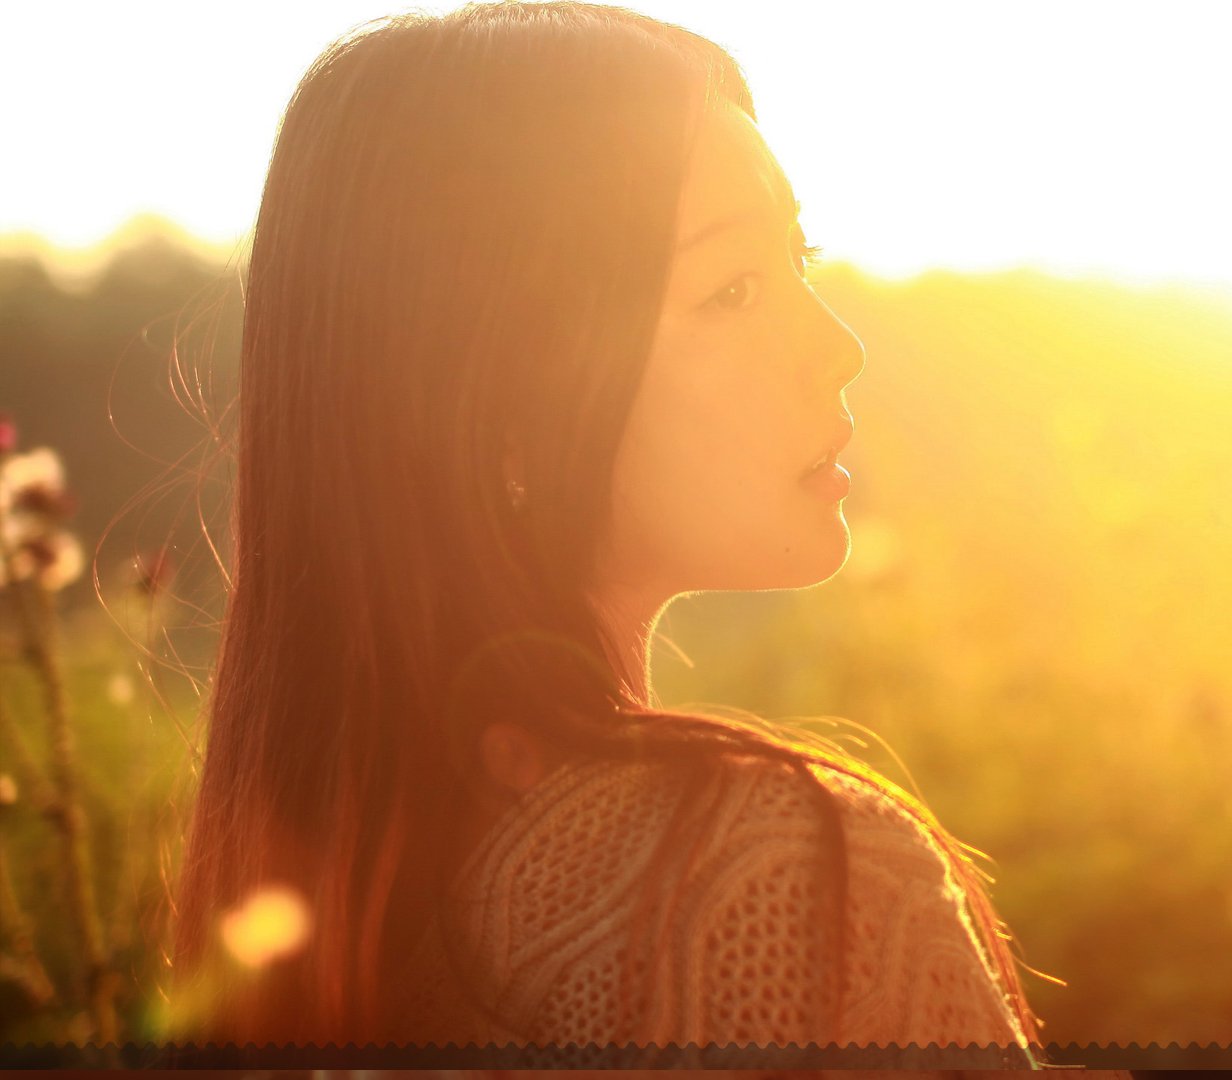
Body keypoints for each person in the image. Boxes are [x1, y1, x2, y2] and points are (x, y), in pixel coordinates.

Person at [166, 3, 1086, 1070]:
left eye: (802, 258)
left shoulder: (333, 908)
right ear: (498, 403)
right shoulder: (765, 883)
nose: (838, 348)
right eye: (732, 288)